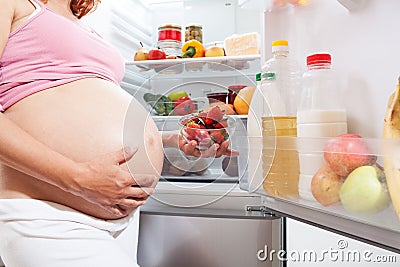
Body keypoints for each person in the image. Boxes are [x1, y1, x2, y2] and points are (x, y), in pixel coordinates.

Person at [0, 0, 236, 266]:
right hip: (48, 212)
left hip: (117, 217)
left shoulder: (84, 26)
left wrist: (171, 140)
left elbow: (84, 112)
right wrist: (77, 178)